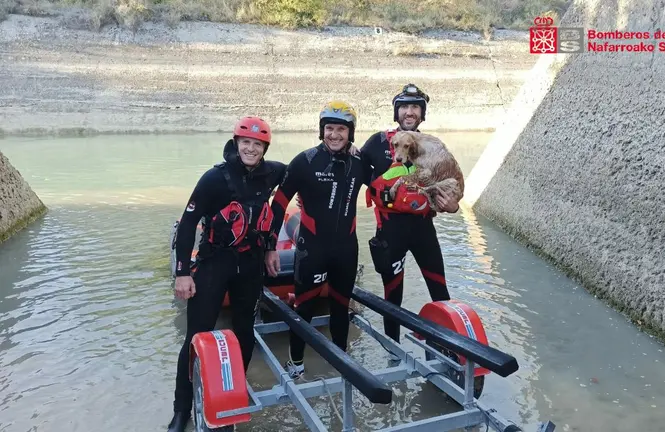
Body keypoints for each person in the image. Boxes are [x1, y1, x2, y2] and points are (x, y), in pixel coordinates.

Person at [167, 117, 286, 432]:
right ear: (236, 144)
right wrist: (182, 273)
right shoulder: (214, 179)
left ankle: (234, 390)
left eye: (257, 144)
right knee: (196, 334)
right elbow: (188, 223)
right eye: (245, 142)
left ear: (264, 148)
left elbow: (296, 175)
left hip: (250, 265)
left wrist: (272, 247)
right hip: (213, 263)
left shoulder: (272, 172)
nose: (250, 148)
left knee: (245, 331)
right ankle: (181, 409)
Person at [264, 101, 371, 379]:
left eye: (341, 129)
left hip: (347, 249)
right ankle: (296, 364)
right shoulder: (305, 161)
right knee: (304, 309)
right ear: (321, 130)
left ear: (351, 132)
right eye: (329, 128)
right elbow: (278, 204)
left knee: (340, 306)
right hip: (312, 249)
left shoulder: (360, 162)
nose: (334, 135)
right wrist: (269, 246)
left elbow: (386, 185)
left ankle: (340, 361)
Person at [360, 83, 460, 351]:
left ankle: (449, 348)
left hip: (423, 231)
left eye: (415, 107)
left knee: (440, 291)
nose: (409, 111)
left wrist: (453, 206)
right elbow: (351, 175)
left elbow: (451, 187)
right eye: (404, 106)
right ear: (397, 112)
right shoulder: (378, 142)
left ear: (422, 113)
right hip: (390, 233)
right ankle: (393, 353)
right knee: (393, 297)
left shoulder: (434, 148)